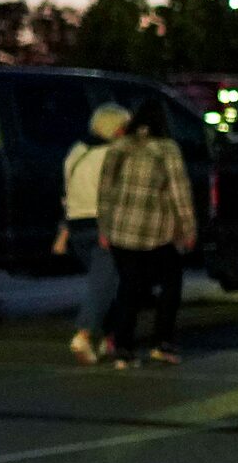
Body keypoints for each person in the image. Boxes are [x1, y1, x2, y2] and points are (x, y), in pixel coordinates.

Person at [97, 98, 197, 366]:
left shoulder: (119, 147)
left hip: (120, 230)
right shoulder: (166, 149)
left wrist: (104, 228)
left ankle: (123, 347)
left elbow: (105, 191)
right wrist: (188, 228)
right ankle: (162, 342)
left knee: (128, 289)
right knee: (171, 285)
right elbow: (179, 192)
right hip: (157, 232)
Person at [59, 102, 129, 363]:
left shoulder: (76, 151)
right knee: (104, 284)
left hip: (77, 225)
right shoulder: (114, 155)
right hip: (104, 225)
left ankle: (109, 338)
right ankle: (85, 334)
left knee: (106, 281)